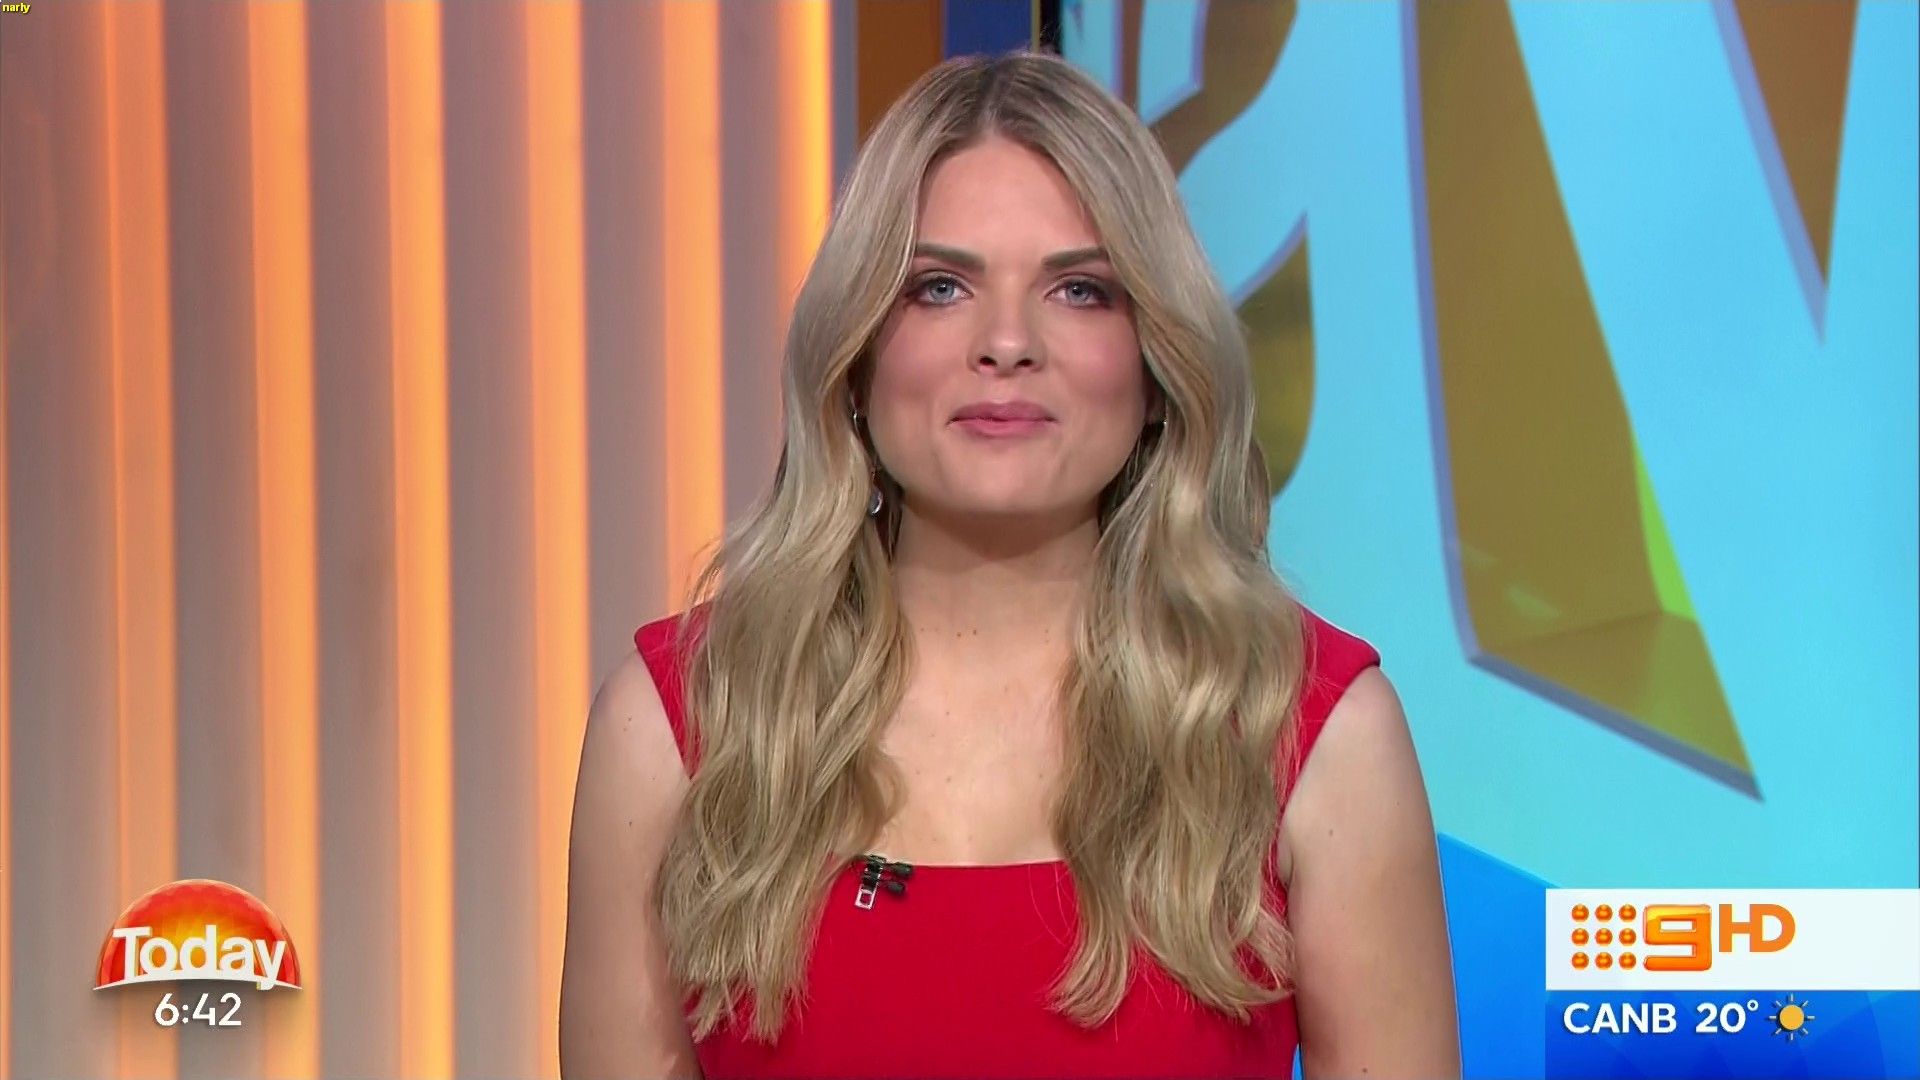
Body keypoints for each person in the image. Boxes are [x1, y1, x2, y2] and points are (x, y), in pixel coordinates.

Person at [560, 50, 1458, 1080]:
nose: (1006, 343)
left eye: (1080, 290)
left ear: (1158, 367)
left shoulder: (1310, 730)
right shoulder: (682, 724)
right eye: (940, 287)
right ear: (856, 358)